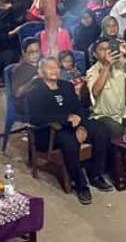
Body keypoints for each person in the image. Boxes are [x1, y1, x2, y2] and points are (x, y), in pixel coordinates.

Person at [27, 57, 112, 205]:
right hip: (49, 131)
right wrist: (65, 119)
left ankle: (95, 175)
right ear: (41, 72)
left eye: (56, 67)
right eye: (49, 68)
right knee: (70, 141)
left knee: (101, 130)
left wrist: (81, 125)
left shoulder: (66, 86)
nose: (54, 70)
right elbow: (36, 118)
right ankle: (80, 185)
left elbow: (78, 108)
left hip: (73, 124)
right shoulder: (35, 92)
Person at [87, 37, 126, 137]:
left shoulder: (119, 64)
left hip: (123, 113)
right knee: (120, 132)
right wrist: (106, 66)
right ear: (95, 55)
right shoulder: (92, 71)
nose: (107, 51)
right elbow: (95, 92)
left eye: (108, 48)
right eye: (102, 49)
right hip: (103, 116)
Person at [11, 38, 41, 116]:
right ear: (23, 53)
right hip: (26, 104)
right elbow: (17, 93)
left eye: (37, 51)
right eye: (31, 52)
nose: (35, 55)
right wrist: (33, 80)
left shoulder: (41, 64)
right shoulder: (19, 69)